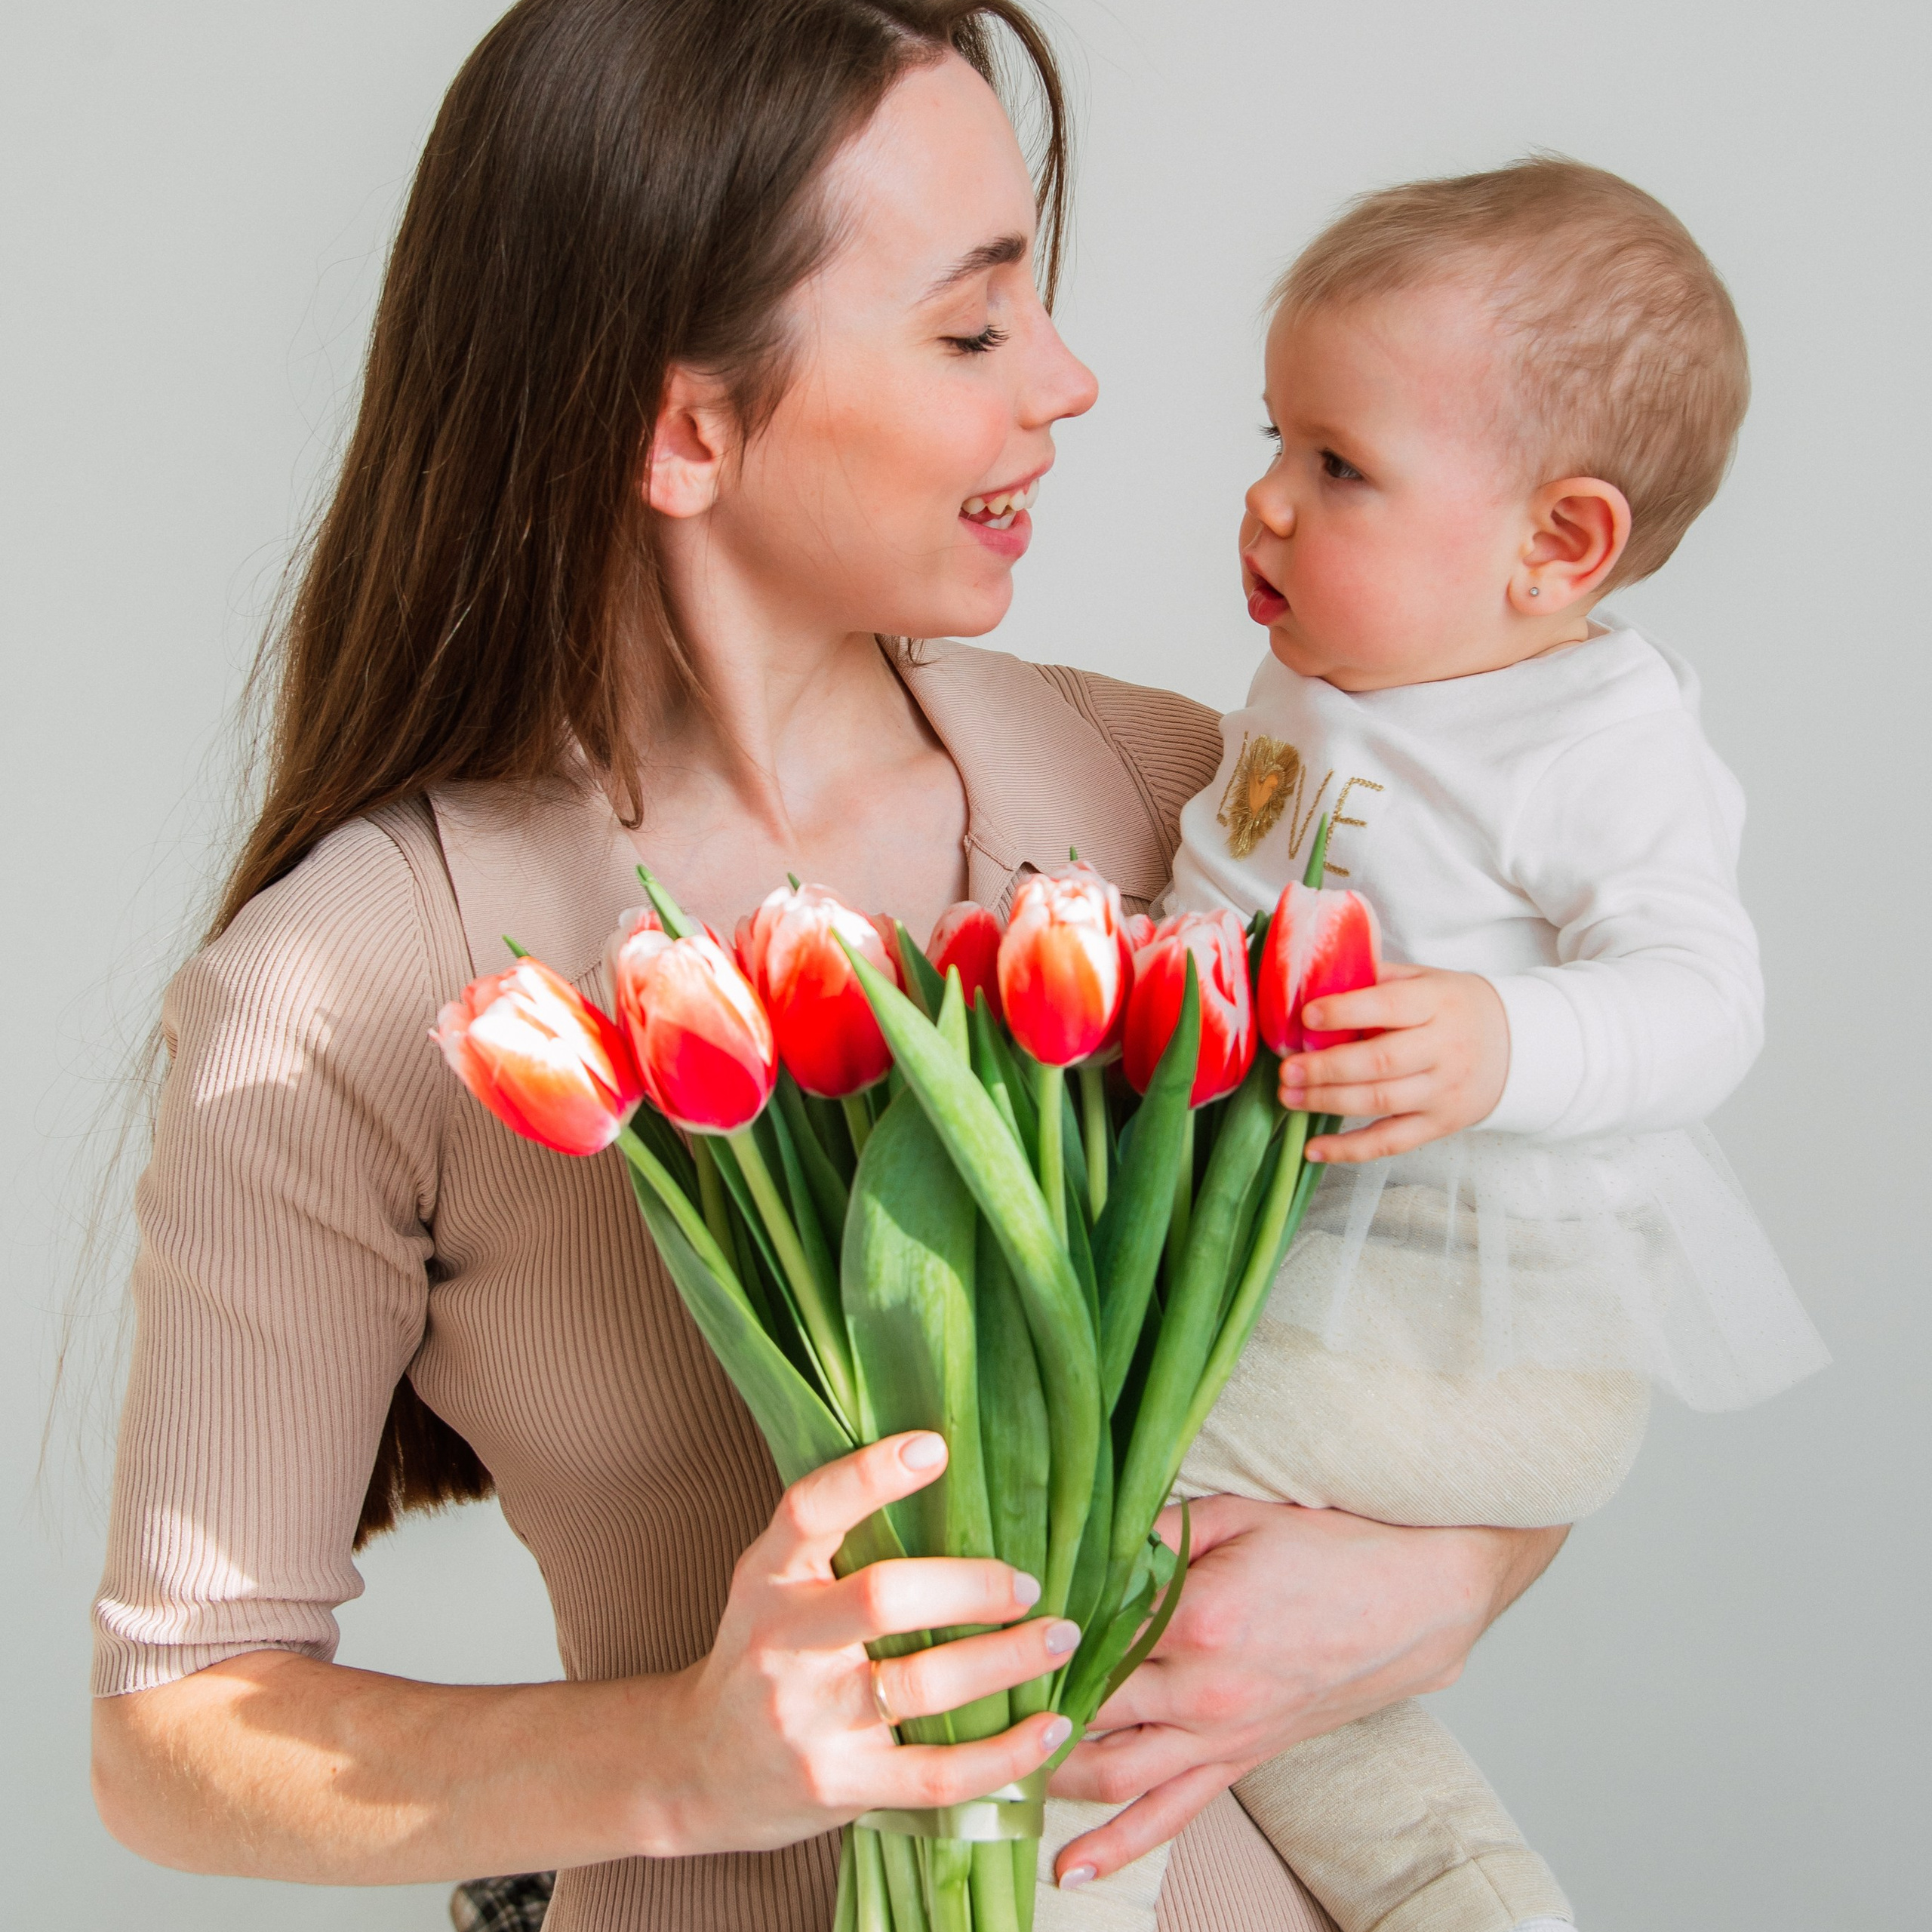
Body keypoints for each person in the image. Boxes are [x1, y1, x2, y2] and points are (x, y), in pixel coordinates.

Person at [87, 8, 1564, 1930]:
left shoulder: (1184, 804)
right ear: (684, 426)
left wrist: (1448, 1575)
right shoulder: (357, 985)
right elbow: (175, 1729)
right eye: (970, 328)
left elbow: (1518, 1287)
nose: (1068, 381)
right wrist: (682, 1756)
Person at [1038, 159, 1829, 1932]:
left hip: (1469, 1319)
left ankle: (1054, 1882)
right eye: (1273, 440)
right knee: (1264, 1653)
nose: (1262, 500)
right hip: (1325, 1292)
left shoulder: (1589, 731)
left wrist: (1498, 1034)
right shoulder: (1337, 665)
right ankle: (1458, 1898)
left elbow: (1704, 993)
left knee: (1088, 1499)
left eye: (1338, 466)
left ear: (1558, 544)